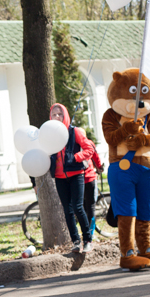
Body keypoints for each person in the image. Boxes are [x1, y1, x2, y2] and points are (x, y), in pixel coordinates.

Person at [48, 103, 96, 253]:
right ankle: (76, 242)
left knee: (78, 207)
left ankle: (88, 240)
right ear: (50, 117)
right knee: (67, 211)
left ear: (65, 115)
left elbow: (90, 148)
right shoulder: (49, 134)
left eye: (60, 114)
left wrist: (76, 157)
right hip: (59, 177)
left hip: (76, 174)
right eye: (54, 114)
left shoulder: (74, 131)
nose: (57, 117)